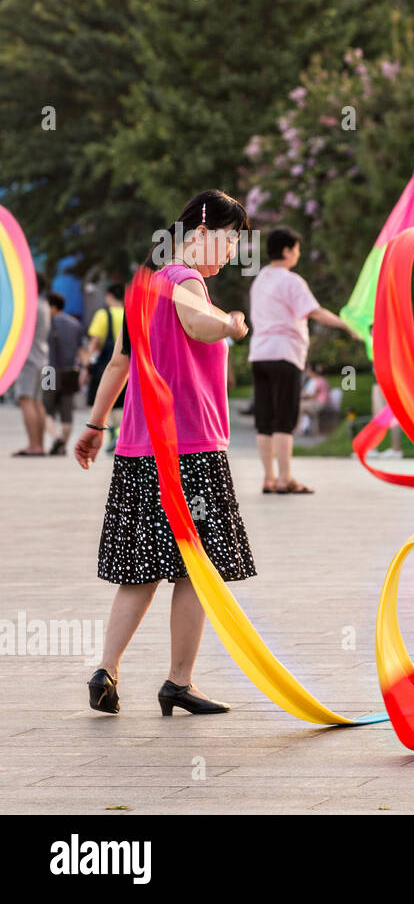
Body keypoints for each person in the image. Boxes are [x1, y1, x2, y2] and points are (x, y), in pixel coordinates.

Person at [74, 189, 254, 717]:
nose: (230, 253)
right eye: (229, 240)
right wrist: (231, 323)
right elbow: (198, 322)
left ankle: (107, 668)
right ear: (199, 233)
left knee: (142, 568)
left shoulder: (144, 284)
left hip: (138, 449)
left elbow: (118, 364)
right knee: (198, 568)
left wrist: (95, 425)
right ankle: (179, 681)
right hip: (189, 448)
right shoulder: (184, 280)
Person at [247, 226, 359, 493]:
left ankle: (269, 478)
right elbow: (315, 312)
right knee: (284, 419)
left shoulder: (260, 278)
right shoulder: (291, 280)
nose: (298, 254)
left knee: (265, 419)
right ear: (287, 250)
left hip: (259, 354)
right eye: (296, 249)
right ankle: (285, 479)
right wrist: (346, 326)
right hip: (284, 354)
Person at [11, 274, 51, 456]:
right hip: (42, 358)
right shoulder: (44, 305)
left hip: (28, 359)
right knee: (36, 402)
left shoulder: (30, 306)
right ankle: (39, 445)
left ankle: (34, 446)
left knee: (25, 400)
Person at [85, 282, 126, 448]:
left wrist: (88, 364)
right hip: (128, 364)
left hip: (106, 364)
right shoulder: (129, 313)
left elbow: (95, 342)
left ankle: (111, 432)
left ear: (109, 296)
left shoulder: (103, 314)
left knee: (99, 399)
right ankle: (118, 433)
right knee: (121, 402)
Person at [43, 291, 84, 455]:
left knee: (45, 409)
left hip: (49, 372)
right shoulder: (75, 324)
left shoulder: (47, 323)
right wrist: (84, 371)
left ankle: (55, 439)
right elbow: (81, 351)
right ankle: (63, 445)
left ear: (53, 307)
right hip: (69, 372)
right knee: (67, 413)